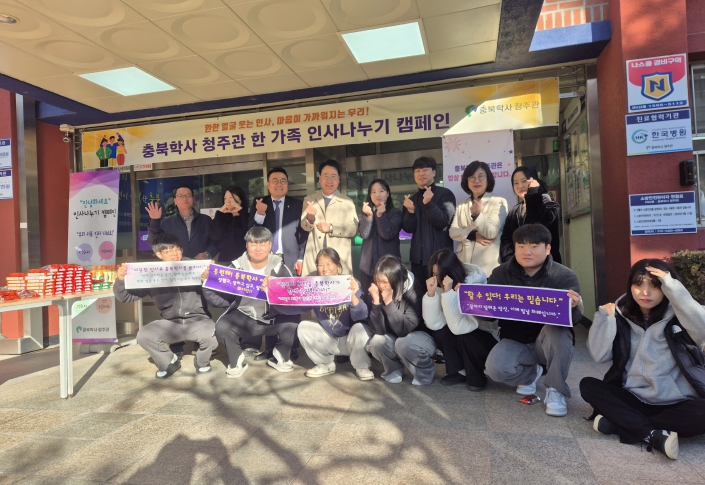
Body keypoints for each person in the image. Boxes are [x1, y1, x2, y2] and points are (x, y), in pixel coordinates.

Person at [580, 259, 705, 460]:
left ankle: (624, 423)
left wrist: (672, 286)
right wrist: (604, 319)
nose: (645, 292)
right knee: (588, 385)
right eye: (638, 284)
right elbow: (598, 355)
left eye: (655, 286)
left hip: (677, 402)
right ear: (630, 286)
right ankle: (652, 434)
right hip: (635, 398)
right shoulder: (621, 315)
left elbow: (703, 329)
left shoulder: (681, 316)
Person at [484, 224, 582, 417]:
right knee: (495, 370)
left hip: (548, 341)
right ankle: (532, 373)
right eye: (521, 246)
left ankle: (556, 390)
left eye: (534, 246)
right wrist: (473, 302)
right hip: (515, 340)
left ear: (548, 248)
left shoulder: (564, 276)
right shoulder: (500, 274)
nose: (526, 252)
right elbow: (489, 315)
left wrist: (574, 307)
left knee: (558, 331)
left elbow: (575, 320)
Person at [113, 233, 217, 379]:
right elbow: (125, 297)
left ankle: (202, 361)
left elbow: (218, 294)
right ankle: (168, 362)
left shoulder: (196, 267)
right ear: (158, 254)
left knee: (212, 336)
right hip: (170, 323)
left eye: (177, 249)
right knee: (144, 335)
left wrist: (213, 275)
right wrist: (120, 280)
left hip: (198, 320)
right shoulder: (151, 272)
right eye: (168, 251)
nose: (174, 254)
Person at [202, 226, 298, 378]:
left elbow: (291, 299)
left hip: (271, 317)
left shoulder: (281, 268)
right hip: (243, 315)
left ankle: (280, 356)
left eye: (263, 243)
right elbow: (219, 301)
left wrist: (272, 292)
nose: (258, 248)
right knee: (223, 326)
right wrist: (207, 283)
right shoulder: (235, 268)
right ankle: (236, 360)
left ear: (270, 245)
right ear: (247, 245)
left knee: (292, 322)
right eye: (253, 243)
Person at [266, 248, 373, 380]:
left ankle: (362, 366)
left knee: (360, 328)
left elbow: (362, 316)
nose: (325, 268)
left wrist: (353, 297)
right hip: (329, 339)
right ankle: (325, 364)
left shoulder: (351, 283)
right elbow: (294, 307)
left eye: (329, 263)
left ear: (338, 264)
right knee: (304, 326)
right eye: (320, 265)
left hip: (351, 340)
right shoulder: (315, 287)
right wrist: (270, 294)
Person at [422, 249, 498, 391]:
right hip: (460, 329)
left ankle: (476, 376)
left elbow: (461, 328)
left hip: (484, 335)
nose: (437, 279)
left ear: (452, 271)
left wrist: (448, 293)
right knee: (440, 332)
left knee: (465, 336)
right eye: (434, 274)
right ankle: (460, 371)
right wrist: (431, 294)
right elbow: (434, 324)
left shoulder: (473, 283)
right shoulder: (440, 285)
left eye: (441, 274)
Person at [365, 255, 436, 385]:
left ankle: (424, 373)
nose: (381, 285)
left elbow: (404, 329)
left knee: (403, 343)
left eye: (385, 281)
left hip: (420, 337)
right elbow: (379, 331)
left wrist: (388, 302)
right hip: (396, 337)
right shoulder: (378, 290)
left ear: (396, 279)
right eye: (378, 280)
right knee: (376, 341)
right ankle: (393, 370)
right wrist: (376, 302)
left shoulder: (414, 291)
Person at [401, 156, 456, 287]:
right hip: (417, 261)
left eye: (425, 170)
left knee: (442, 294)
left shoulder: (445, 194)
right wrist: (410, 211)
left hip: (440, 261)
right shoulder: (412, 200)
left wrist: (429, 204)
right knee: (420, 296)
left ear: (434, 172)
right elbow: (408, 229)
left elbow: (444, 223)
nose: (421, 174)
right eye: (417, 171)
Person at [450, 161, 508, 277]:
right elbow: (452, 231)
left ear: (488, 179)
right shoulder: (462, 205)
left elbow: (491, 232)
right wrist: (472, 235)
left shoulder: (499, 201)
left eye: (481, 176)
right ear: (466, 181)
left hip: (488, 268)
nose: (476, 181)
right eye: (472, 177)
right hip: (464, 267)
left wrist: (477, 215)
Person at [301, 159, 358, 275]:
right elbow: (304, 226)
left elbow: (353, 228)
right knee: (314, 285)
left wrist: (331, 227)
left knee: (338, 285)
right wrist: (310, 218)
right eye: (326, 176)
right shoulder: (309, 200)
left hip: (338, 257)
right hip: (315, 256)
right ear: (319, 179)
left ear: (338, 179)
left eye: (333, 176)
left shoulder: (347, 202)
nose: (329, 181)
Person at [500, 166, 561, 264]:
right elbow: (506, 239)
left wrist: (533, 193)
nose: (520, 186)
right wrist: (510, 260)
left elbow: (537, 224)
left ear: (534, 181)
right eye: (516, 183)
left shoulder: (547, 202)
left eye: (524, 181)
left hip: (545, 265)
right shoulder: (514, 210)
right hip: (519, 266)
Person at [146, 184, 217, 260]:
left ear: (193, 199)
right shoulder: (167, 222)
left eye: (188, 195)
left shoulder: (205, 220)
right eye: (180, 196)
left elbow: (214, 242)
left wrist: (207, 254)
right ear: (175, 201)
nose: (184, 198)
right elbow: (154, 242)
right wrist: (154, 220)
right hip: (176, 264)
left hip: (200, 264)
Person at [357, 178, 402, 294]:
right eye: (373, 192)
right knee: (369, 299)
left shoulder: (395, 213)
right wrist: (369, 217)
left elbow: (387, 234)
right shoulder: (365, 213)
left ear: (388, 193)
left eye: (381, 191)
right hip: (368, 269)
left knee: (389, 299)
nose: (377, 195)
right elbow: (364, 234)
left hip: (389, 269)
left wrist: (380, 216)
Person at [210, 185, 249, 264]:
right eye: (225, 198)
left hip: (245, 262)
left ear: (240, 199)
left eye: (231, 197)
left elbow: (250, 233)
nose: (228, 201)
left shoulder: (248, 216)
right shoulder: (222, 217)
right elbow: (216, 236)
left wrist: (241, 211)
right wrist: (219, 214)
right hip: (225, 261)